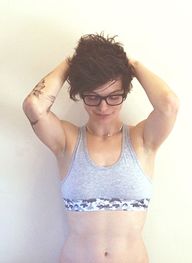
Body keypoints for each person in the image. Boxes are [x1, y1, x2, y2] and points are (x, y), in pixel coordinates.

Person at [22, 32, 180, 263]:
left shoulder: (143, 139)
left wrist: (131, 65)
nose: (103, 107)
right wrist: (72, 64)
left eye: (114, 96)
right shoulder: (67, 142)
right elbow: (34, 106)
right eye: (93, 97)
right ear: (81, 95)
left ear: (124, 93)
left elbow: (169, 104)